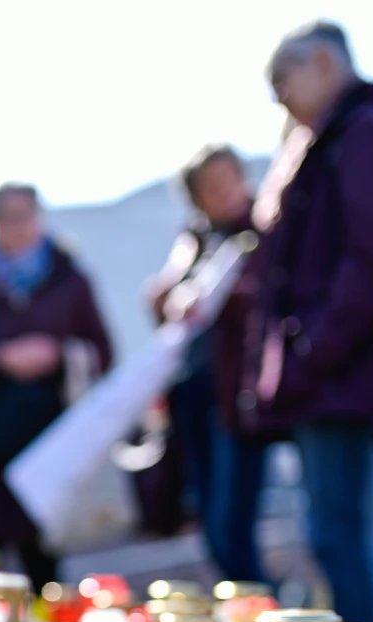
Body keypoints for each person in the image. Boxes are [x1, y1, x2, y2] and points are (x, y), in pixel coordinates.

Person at [241, 21, 373, 622]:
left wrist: (313, 348)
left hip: (343, 375)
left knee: (345, 534)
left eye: (284, 84)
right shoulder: (340, 137)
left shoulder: (366, 134)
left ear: (321, 62)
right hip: (340, 372)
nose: (283, 103)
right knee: (347, 533)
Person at [0, 183, 112, 587]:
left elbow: (103, 353)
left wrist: (57, 355)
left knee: (42, 567)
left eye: (25, 216)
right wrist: (0, 357)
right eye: (8, 218)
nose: (18, 226)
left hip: (46, 440)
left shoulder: (70, 280)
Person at [146, 145, 270, 584]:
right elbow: (165, 303)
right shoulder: (196, 240)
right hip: (193, 393)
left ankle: (262, 614)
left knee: (231, 522)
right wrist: (165, 299)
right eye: (211, 187)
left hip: (238, 396)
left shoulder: (262, 232)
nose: (224, 192)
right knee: (211, 524)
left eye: (228, 180)